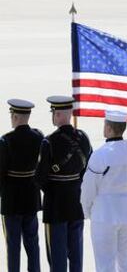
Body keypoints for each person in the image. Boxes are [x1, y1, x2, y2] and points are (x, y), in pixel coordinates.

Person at [34, 96, 92, 272]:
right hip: (76, 201)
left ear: (58, 115)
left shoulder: (49, 141)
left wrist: (51, 190)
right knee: (76, 257)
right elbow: (88, 169)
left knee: (57, 260)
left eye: (53, 113)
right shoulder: (83, 138)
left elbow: (40, 177)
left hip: (56, 205)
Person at [81, 110, 127, 272]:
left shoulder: (100, 154)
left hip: (104, 213)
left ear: (108, 128)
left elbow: (88, 188)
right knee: (126, 260)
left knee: (105, 264)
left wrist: (87, 210)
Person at [0, 99, 43, 272]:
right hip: (31, 198)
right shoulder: (39, 137)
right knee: (32, 244)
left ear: (16, 117)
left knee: (13, 246)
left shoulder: (5, 141)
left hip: (11, 201)